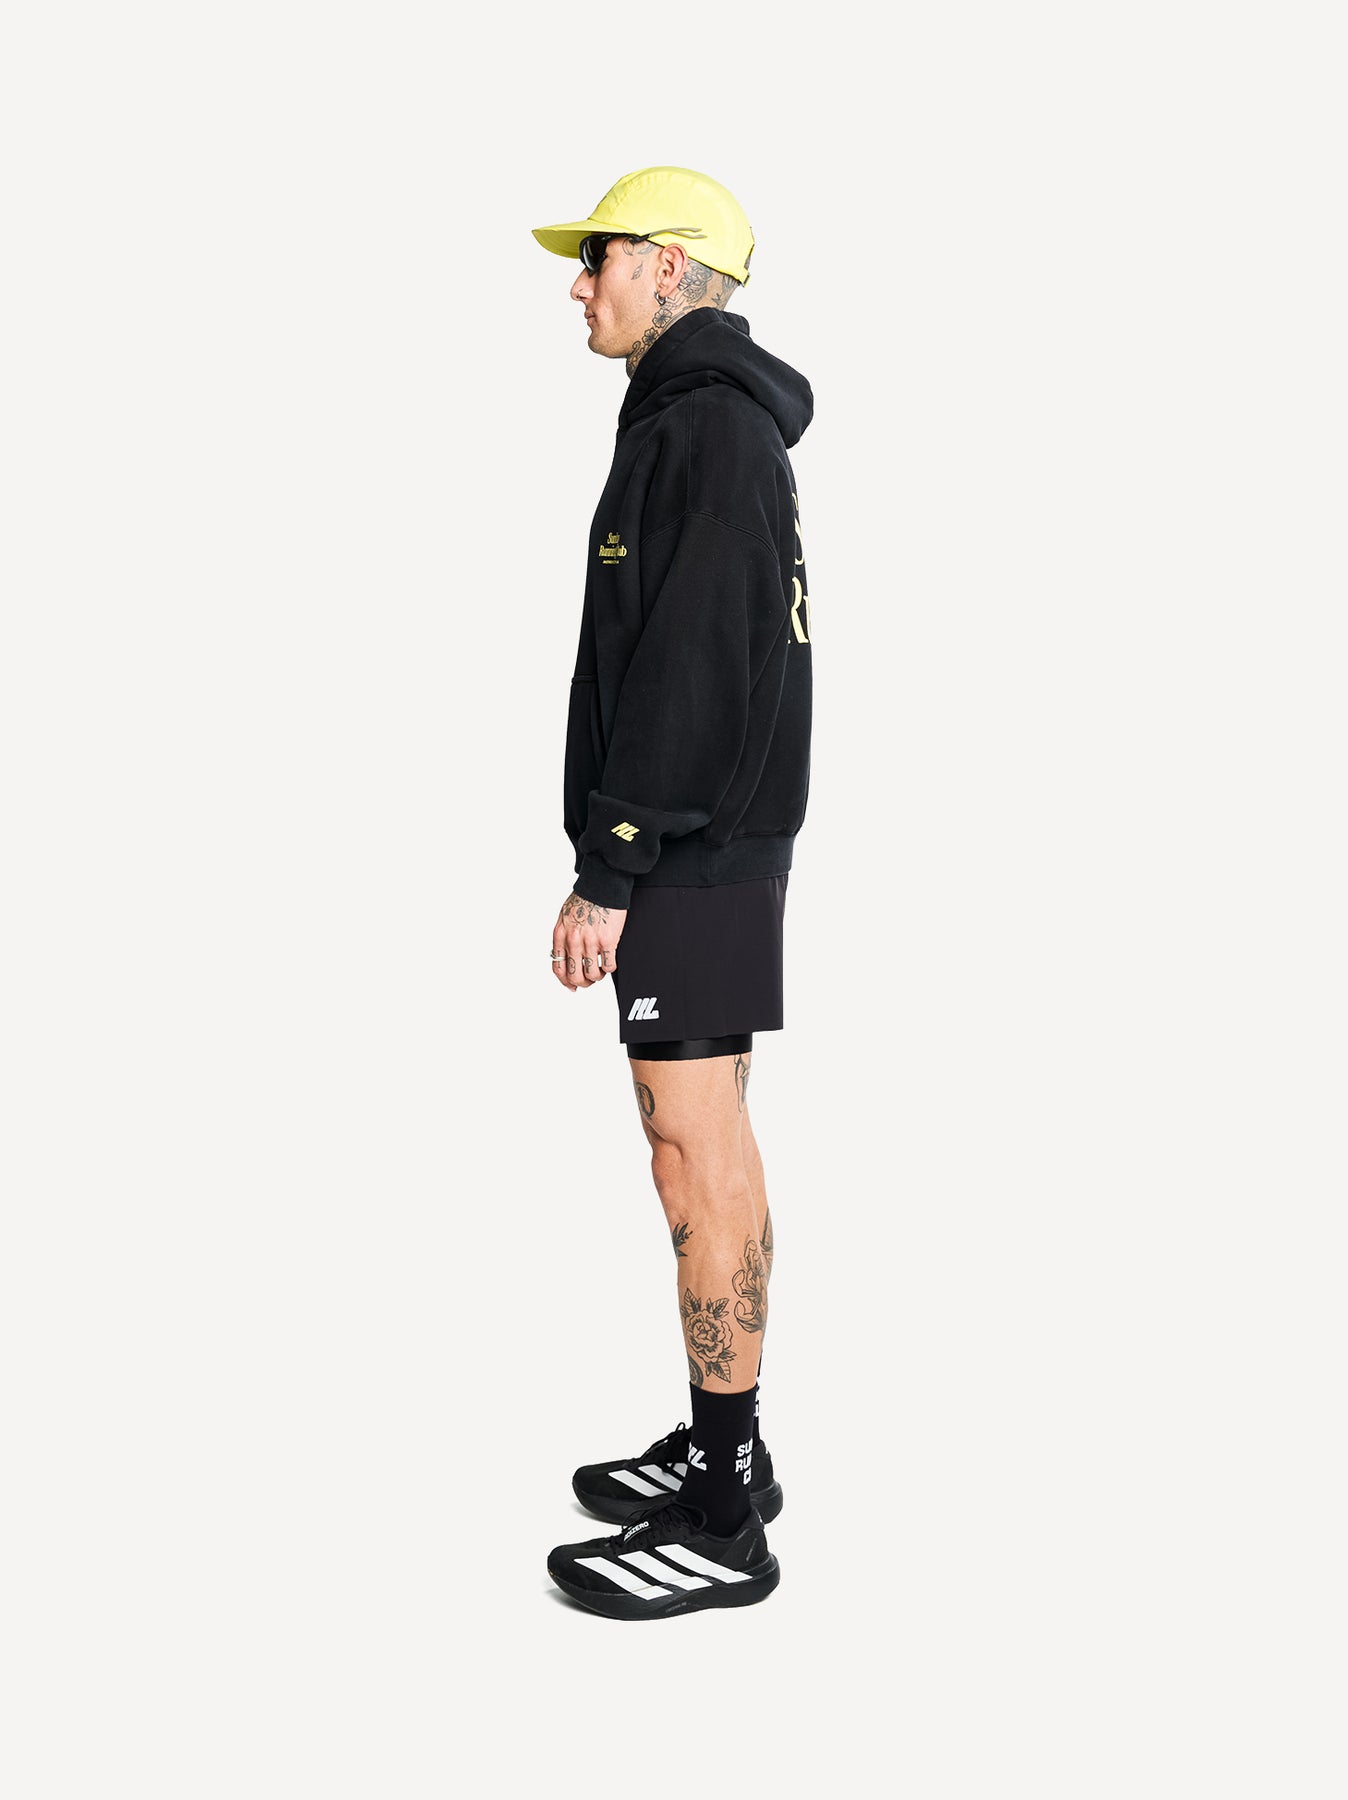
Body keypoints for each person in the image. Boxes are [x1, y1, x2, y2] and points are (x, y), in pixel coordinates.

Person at [532, 166, 814, 1619]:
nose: (580, 288)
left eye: (598, 263)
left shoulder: (704, 424)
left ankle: (723, 1516)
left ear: (664, 262)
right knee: (709, 1146)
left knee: (690, 1154)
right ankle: (730, 1453)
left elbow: (693, 665)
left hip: (689, 852)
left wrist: (614, 867)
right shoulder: (702, 419)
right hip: (715, 847)